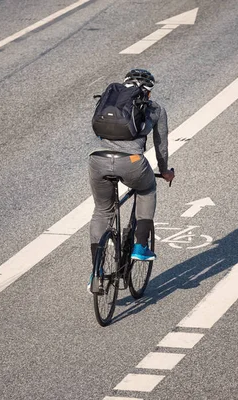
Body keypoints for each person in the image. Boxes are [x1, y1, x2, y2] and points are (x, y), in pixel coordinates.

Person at [88, 69, 174, 289]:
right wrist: (164, 171)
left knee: (102, 211)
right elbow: (161, 145)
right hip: (133, 162)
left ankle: (96, 274)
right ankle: (140, 246)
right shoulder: (155, 109)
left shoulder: (110, 103)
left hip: (98, 160)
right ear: (148, 91)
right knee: (147, 190)